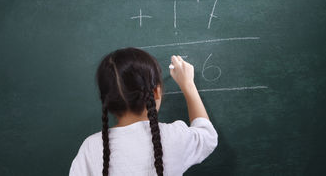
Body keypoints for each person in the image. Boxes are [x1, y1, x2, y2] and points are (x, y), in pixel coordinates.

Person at [69, 47, 218, 176]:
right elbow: (207, 135)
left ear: (106, 101)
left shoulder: (91, 147)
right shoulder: (174, 136)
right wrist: (188, 85)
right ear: (156, 92)